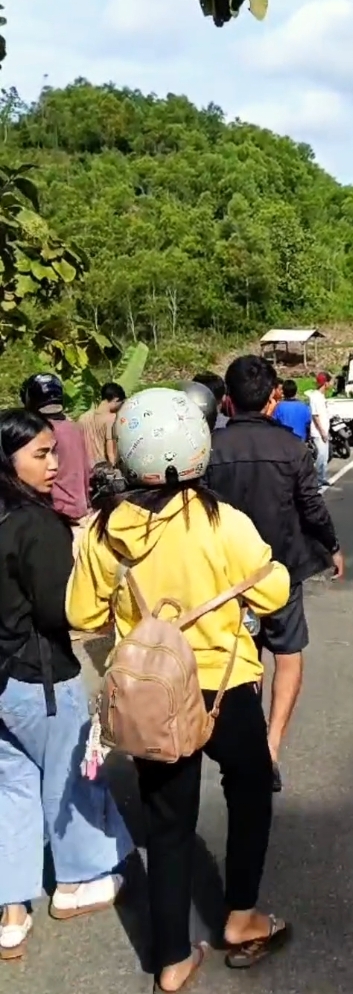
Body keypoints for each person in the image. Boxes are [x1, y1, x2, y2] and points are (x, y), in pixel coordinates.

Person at [67, 387, 293, 992]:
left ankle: (171, 959)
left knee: (167, 825)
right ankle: (241, 917)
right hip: (227, 687)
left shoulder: (103, 533)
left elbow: (84, 616)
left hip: (153, 697)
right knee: (249, 794)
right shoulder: (223, 522)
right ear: (196, 446)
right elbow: (272, 593)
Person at [0, 409, 133, 962]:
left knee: (11, 792)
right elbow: (60, 612)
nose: (55, 465)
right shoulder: (36, 525)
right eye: (40, 455)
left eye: (55, 451)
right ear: (9, 461)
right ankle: (79, 881)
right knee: (75, 777)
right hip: (42, 678)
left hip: (4, 682)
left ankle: (10, 912)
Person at [207, 356, 344, 793]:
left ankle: (244, 740)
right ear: (275, 398)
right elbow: (313, 508)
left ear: (227, 400)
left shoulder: (208, 448)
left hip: (224, 581)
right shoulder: (291, 449)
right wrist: (333, 547)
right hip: (279, 573)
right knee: (286, 653)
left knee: (244, 657)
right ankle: (269, 747)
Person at [20, 373, 90, 530]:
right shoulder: (73, 428)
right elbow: (87, 470)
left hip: (57, 516)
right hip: (81, 512)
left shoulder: (40, 433)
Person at [79, 382, 126, 467]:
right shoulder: (111, 419)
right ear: (116, 400)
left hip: (85, 467)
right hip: (101, 467)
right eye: (121, 403)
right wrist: (113, 466)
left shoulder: (83, 418)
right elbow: (110, 451)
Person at [307, 372, 333, 489]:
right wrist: (322, 431)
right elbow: (315, 415)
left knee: (325, 457)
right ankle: (315, 480)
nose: (332, 384)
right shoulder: (315, 397)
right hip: (318, 432)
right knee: (320, 456)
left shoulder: (322, 396)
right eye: (330, 381)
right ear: (326, 383)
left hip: (324, 430)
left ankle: (322, 478)